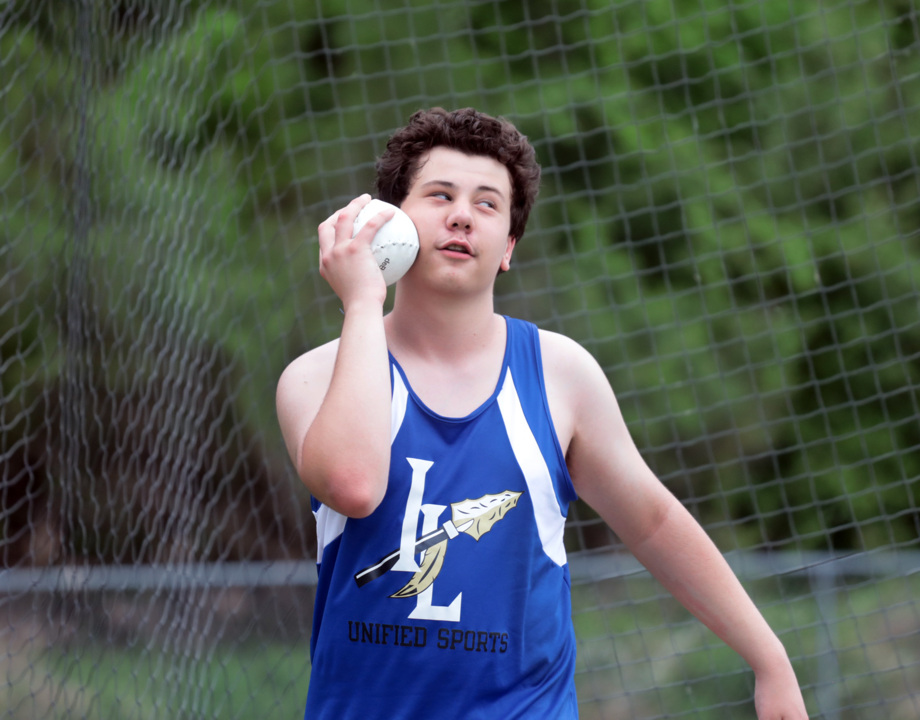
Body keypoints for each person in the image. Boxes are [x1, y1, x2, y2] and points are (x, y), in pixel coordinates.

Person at [275, 107, 808, 719]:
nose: (460, 215)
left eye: (486, 204)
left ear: (508, 247)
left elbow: (654, 523)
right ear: (392, 221)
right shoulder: (314, 377)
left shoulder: (561, 375)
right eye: (440, 194)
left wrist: (770, 659)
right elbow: (354, 483)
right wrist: (364, 299)